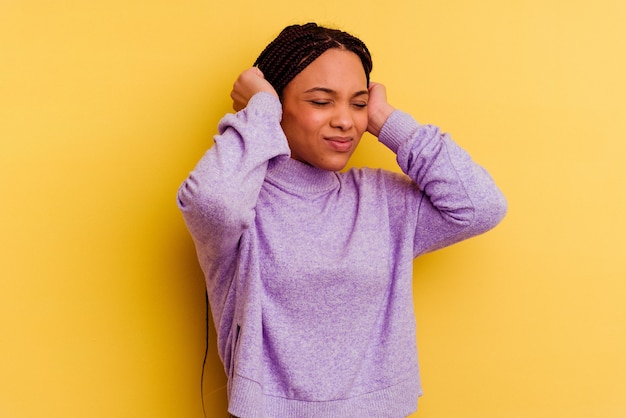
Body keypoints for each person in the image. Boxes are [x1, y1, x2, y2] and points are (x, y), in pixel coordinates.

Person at [177, 22, 507, 418]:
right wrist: (259, 109)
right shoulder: (244, 203)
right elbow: (211, 203)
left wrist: (387, 120)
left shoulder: (381, 200)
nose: (345, 121)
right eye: (321, 101)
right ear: (279, 106)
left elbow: (481, 206)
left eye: (358, 102)